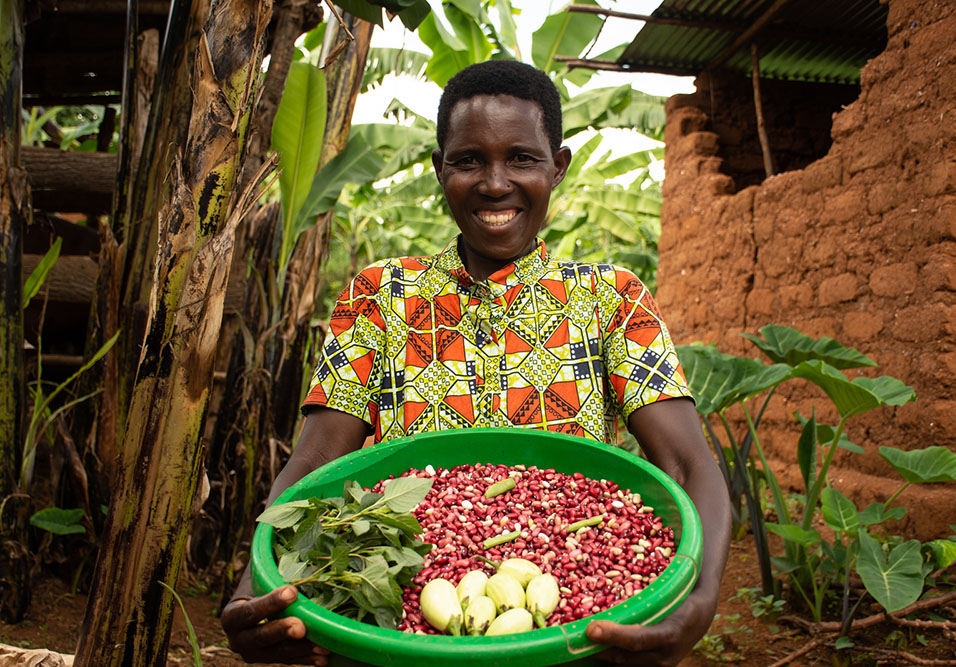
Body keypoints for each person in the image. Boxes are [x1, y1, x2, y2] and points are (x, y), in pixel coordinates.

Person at [221, 60, 730, 666]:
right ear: (440, 170)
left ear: (558, 167)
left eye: (522, 158)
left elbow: (688, 462)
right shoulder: (383, 296)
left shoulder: (610, 299)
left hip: (565, 623)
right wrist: (258, 579)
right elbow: (315, 462)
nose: (495, 183)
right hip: (407, 631)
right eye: (468, 160)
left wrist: (698, 601)